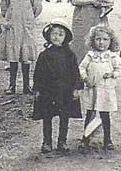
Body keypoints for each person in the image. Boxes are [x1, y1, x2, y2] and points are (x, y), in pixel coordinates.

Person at [32, 19, 83, 153]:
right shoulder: (44, 55)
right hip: (48, 91)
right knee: (47, 116)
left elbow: (75, 72)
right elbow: (38, 73)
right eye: (54, 34)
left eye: (60, 34)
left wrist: (76, 88)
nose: (56, 37)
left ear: (66, 38)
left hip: (64, 90)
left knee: (64, 115)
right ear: (48, 35)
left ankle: (62, 141)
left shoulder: (69, 55)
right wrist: (37, 89)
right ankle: (47, 141)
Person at [0, 0, 43, 95]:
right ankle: (12, 85)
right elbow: (4, 5)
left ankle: (26, 86)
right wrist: (8, 18)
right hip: (13, 26)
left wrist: (29, 18)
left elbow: (37, 7)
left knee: (25, 55)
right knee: (13, 55)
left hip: (26, 27)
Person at [78, 24, 121, 152]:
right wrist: (85, 78)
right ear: (93, 40)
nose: (101, 42)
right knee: (90, 114)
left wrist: (112, 74)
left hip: (106, 90)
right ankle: (85, 138)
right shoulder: (90, 55)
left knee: (104, 115)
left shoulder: (112, 56)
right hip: (93, 90)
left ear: (111, 41)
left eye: (105, 39)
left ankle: (107, 139)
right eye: (98, 39)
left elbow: (120, 70)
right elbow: (81, 68)